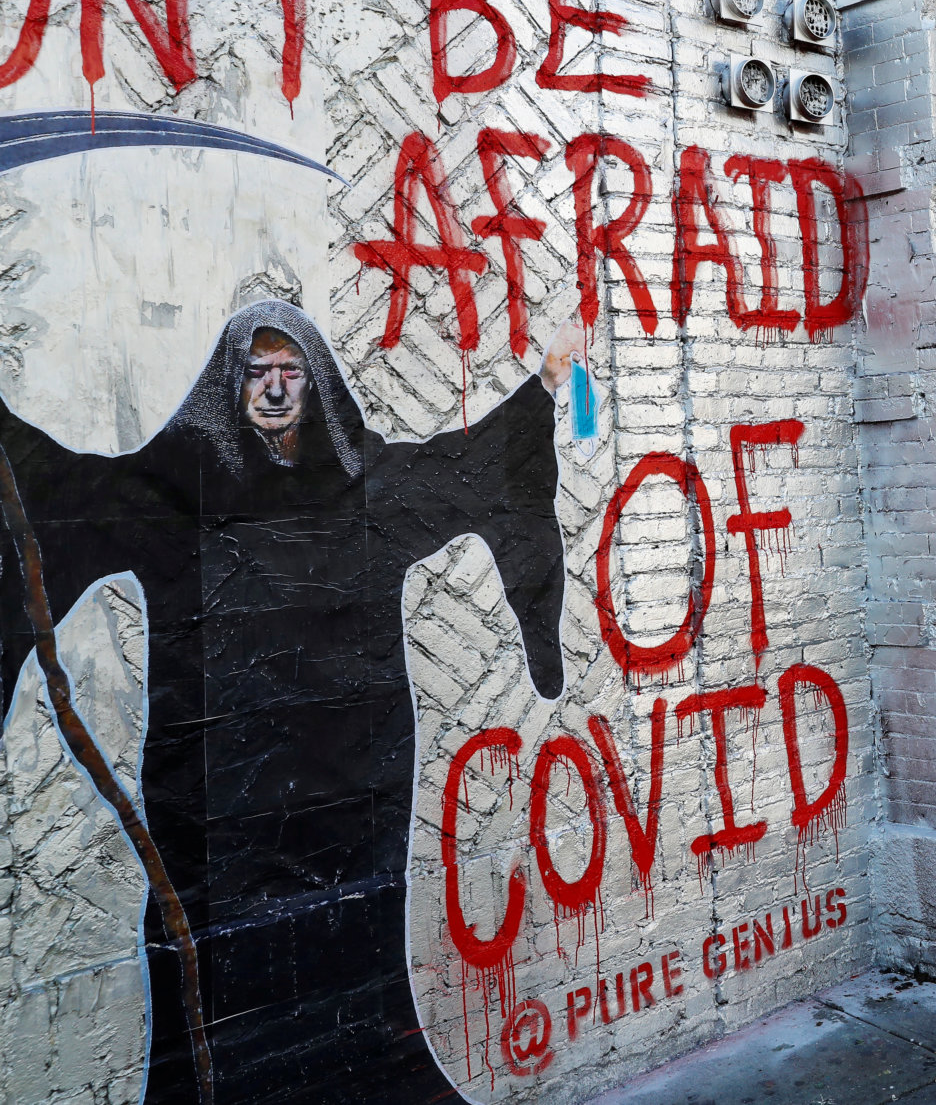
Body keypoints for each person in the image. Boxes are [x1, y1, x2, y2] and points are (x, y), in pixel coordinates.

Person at [0, 300, 579, 1103]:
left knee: (349, 965)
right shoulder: (176, 491)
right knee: (212, 989)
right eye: (257, 372)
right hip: (214, 806)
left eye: (290, 371)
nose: (274, 388)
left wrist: (547, 382)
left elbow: (464, 468)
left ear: (313, 383)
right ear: (231, 385)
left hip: (350, 795)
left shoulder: (364, 485)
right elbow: (66, 498)